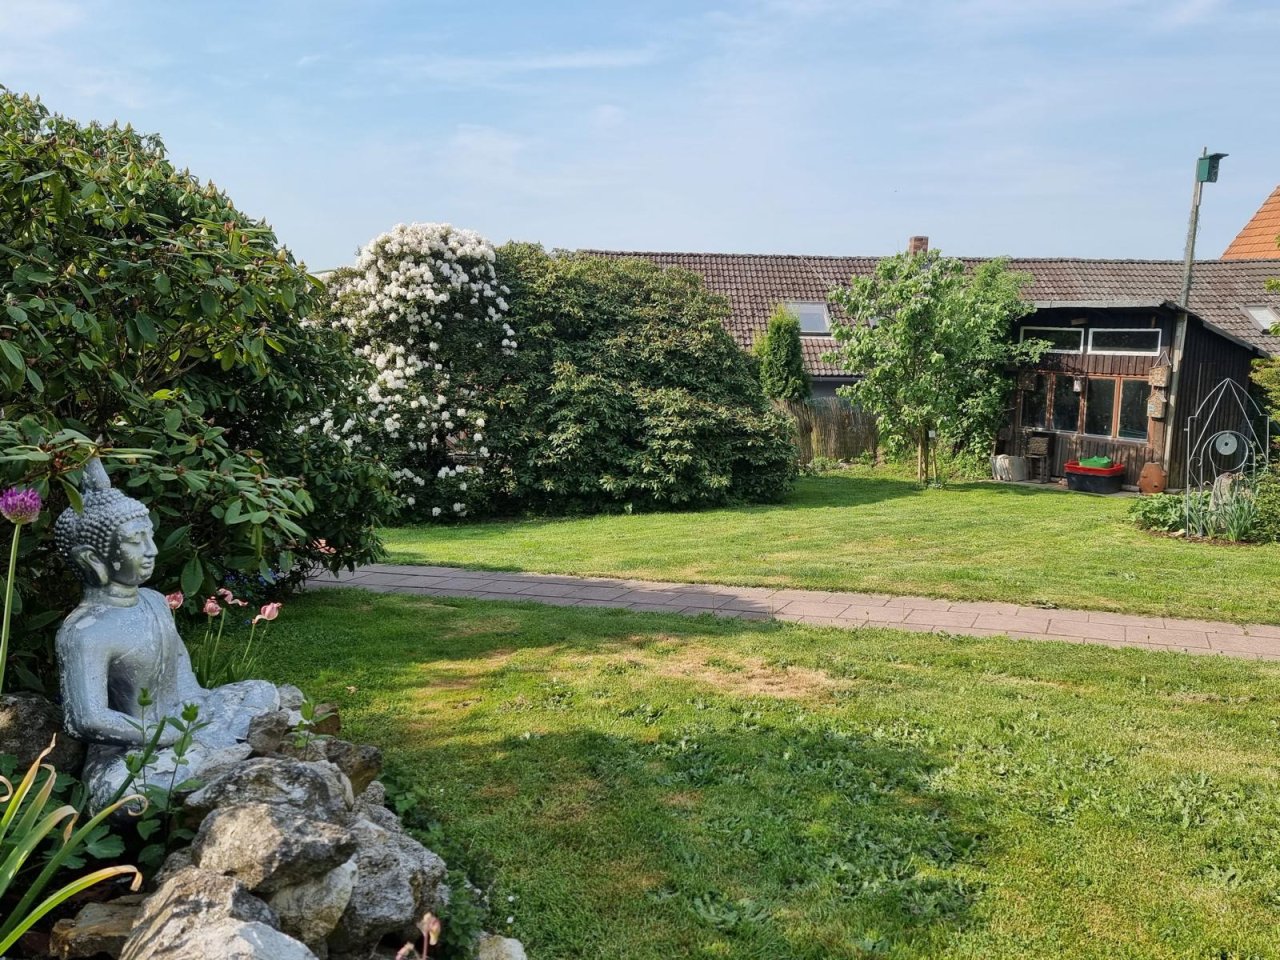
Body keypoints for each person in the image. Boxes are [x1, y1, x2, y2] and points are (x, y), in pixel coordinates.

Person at [54, 459, 279, 811]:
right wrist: (164, 735)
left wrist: (194, 706)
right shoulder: (85, 630)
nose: (152, 551)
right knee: (124, 798)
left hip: (184, 719)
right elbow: (87, 719)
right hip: (131, 748)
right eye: (135, 541)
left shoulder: (154, 601)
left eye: (150, 538)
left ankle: (206, 760)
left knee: (262, 690)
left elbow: (181, 670)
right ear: (91, 558)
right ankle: (212, 763)